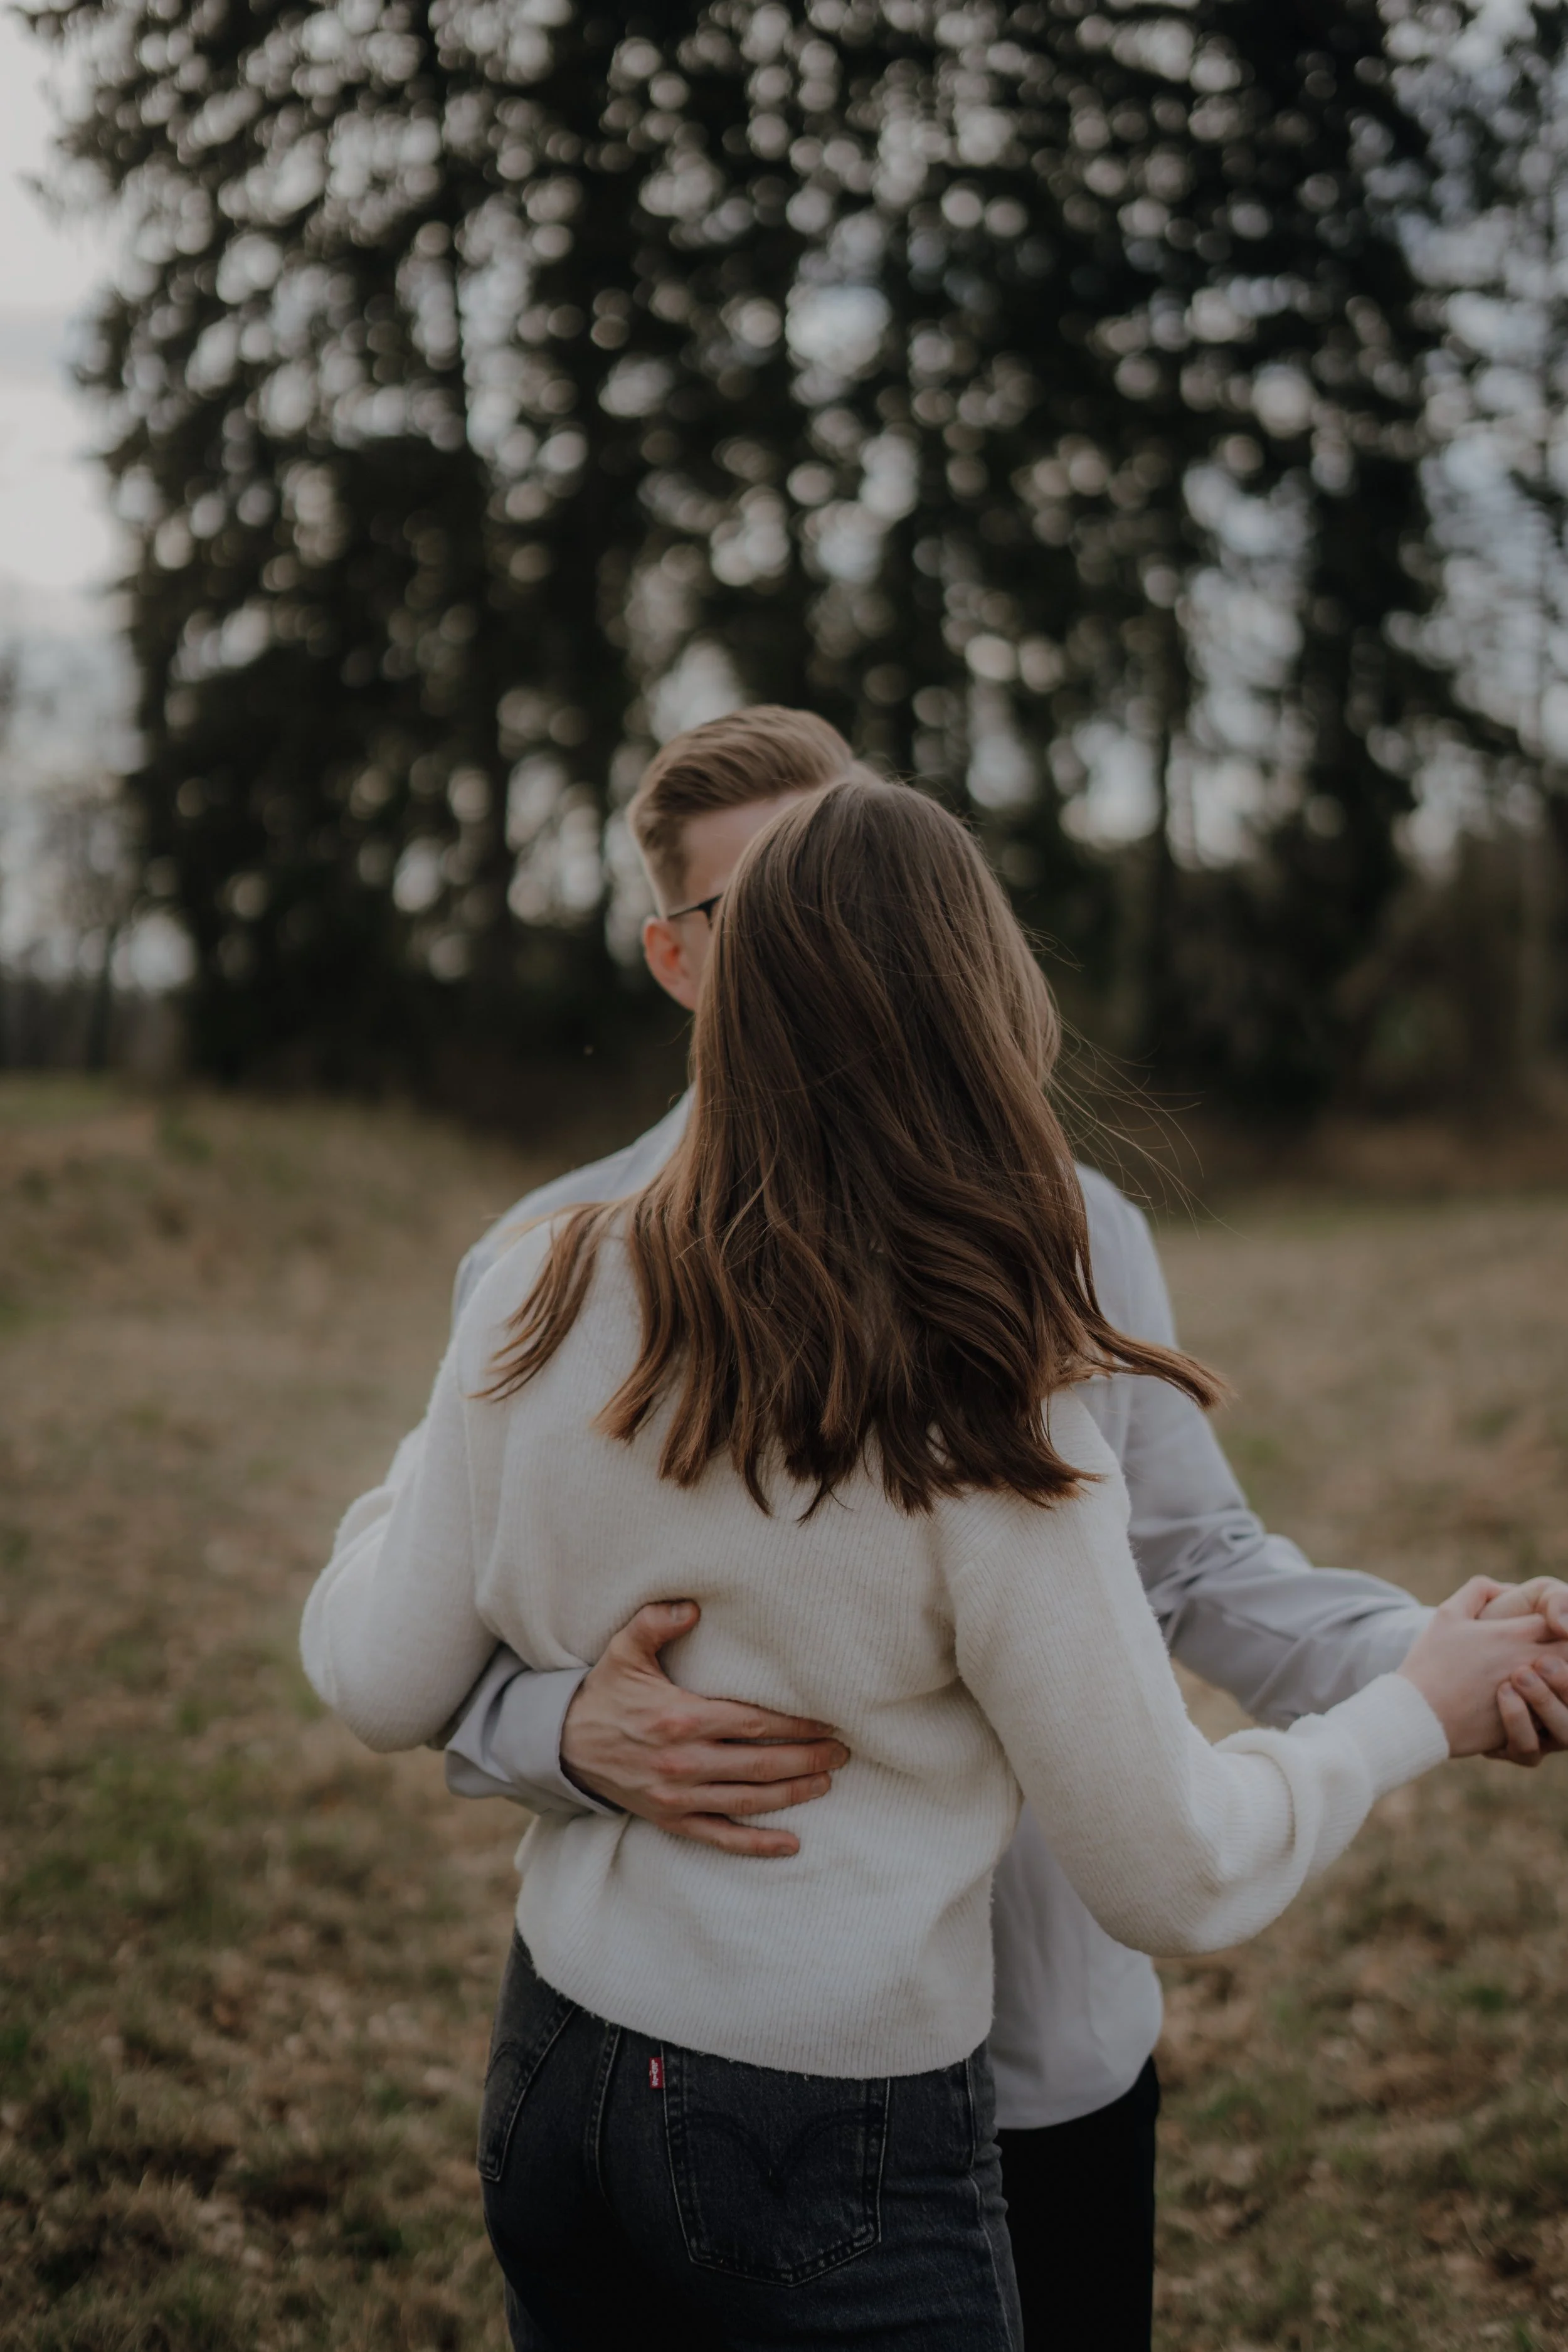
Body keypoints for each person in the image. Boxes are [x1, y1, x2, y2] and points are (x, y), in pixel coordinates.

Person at [303, 774, 1568, 2352]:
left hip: (560, 2075)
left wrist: (417, 1476)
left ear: (733, 989)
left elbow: (370, 1670)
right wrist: (1411, 1718)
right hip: (825, 2134)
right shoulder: (987, 1375)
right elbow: (1173, 1868)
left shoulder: (542, 1288)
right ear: (989, 1001)